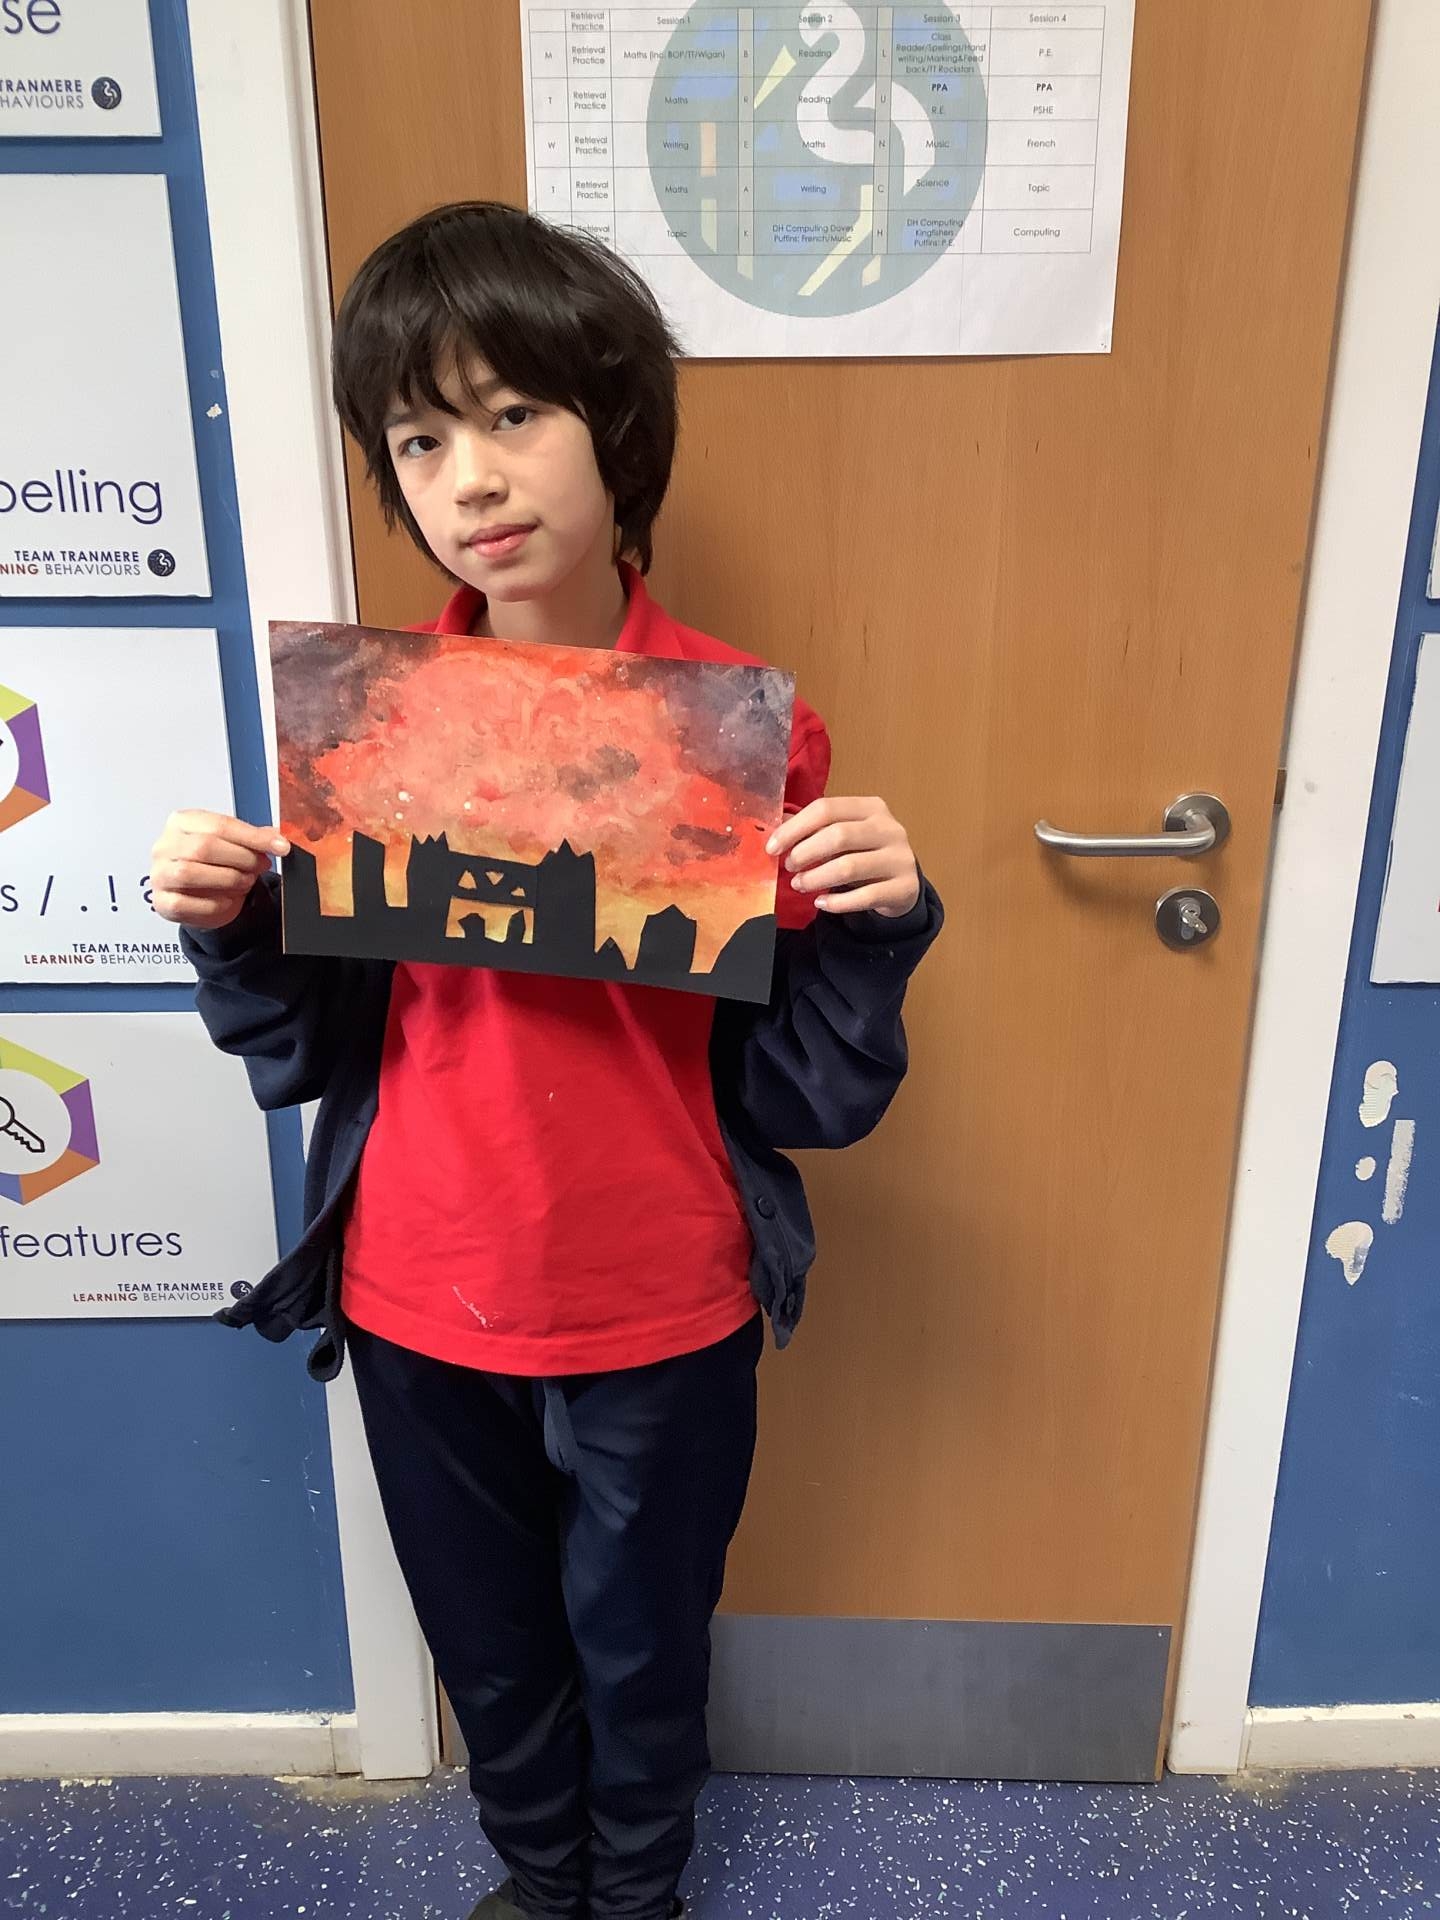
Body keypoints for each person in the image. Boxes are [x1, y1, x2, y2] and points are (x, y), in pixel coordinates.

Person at [151, 202, 942, 1920]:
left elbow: (809, 1089)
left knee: (644, 1643)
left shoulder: (737, 724)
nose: (473, 478)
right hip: (418, 1284)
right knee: (489, 1647)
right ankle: (535, 1882)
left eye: (514, 414)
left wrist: (878, 920)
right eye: (421, 440)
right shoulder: (370, 723)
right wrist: (234, 922)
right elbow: (307, 1046)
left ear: (618, 425)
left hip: (660, 1290)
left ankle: (635, 1897)